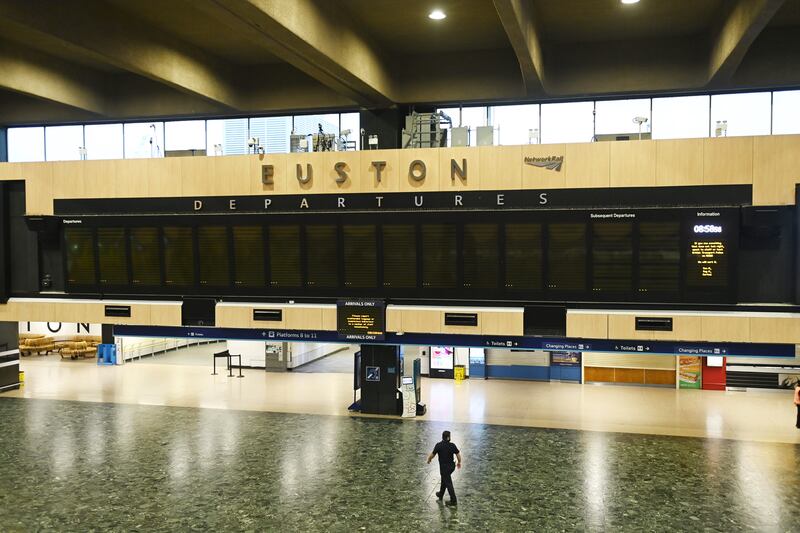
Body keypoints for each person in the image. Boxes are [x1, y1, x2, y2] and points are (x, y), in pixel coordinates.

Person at [427, 430, 462, 505]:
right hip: (451, 467)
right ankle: (441, 494)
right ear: (449, 437)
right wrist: (459, 462)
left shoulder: (438, 445)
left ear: (442, 437)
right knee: (445, 479)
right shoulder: (452, 445)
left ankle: (453, 500)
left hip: (444, 468)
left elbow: (433, 454)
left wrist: (429, 459)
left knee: (448, 483)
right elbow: (458, 455)